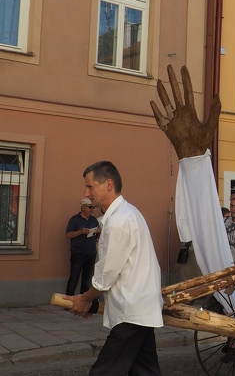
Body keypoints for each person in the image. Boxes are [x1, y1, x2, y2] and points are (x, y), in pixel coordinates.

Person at [66, 161, 163, 376]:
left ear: (108, 184)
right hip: (138, 309)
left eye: (90, 187)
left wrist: (86, 299)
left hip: (132, 310)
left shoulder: (120, 220)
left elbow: (107, 273)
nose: (86, 193)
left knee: (104, 372)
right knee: (144, 370)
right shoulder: (125, 214)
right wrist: (92, 301)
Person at [65, 198, 101, 296]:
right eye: (90, 207)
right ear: (83, 207)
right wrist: (81, 232)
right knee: (74, 277)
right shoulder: (74, 219)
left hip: (91, 253)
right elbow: (68, 235)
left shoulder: (94, 220)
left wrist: (98, 231)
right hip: (78, 253)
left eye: (93, 207)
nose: (92, 209)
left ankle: (83, 300)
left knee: (87, 279)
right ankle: (68, 300)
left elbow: (98, 233)